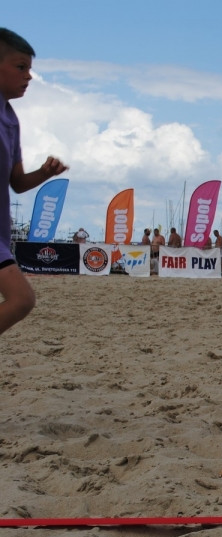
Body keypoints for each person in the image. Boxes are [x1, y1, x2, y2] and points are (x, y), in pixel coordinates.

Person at [0, 28, 68, 336]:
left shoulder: (10, 119)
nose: (28, 76)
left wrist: (45, 172)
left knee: (22, 300)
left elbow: (17, 182)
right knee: (22, 299)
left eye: (29, 68)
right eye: (20, 67)